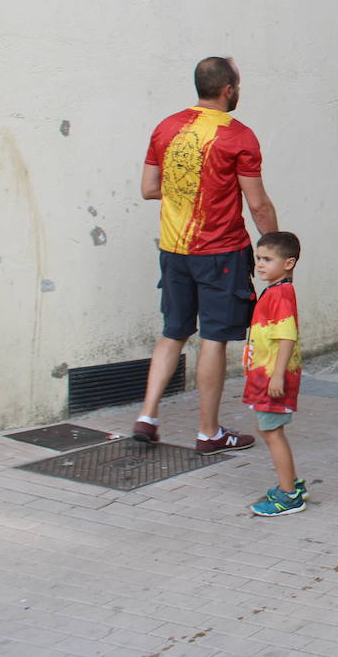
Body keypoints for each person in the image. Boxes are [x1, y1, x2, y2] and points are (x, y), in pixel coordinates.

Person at [133, 57, 278, 452]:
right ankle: (208, 432)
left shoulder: (166, 127)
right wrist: (278, 251)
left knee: (173, 332)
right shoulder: (239, 135)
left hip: (173, 249)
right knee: (213, 338)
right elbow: (258, 204)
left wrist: (189, 187)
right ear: (228, 89)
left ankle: (147, 416)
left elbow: (149, 188)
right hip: (220, 252)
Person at [242, 231, 307, 517]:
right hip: (265, 376)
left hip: (272, 378)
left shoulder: (280, 294)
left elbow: (286, 337)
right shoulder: (275, 291)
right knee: (268, 429)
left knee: (271, 431)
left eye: (268, 259)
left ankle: (289, 495)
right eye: (258, 258)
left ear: (289, 263)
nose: (260, 265)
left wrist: (278, 376)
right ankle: (290, 483)